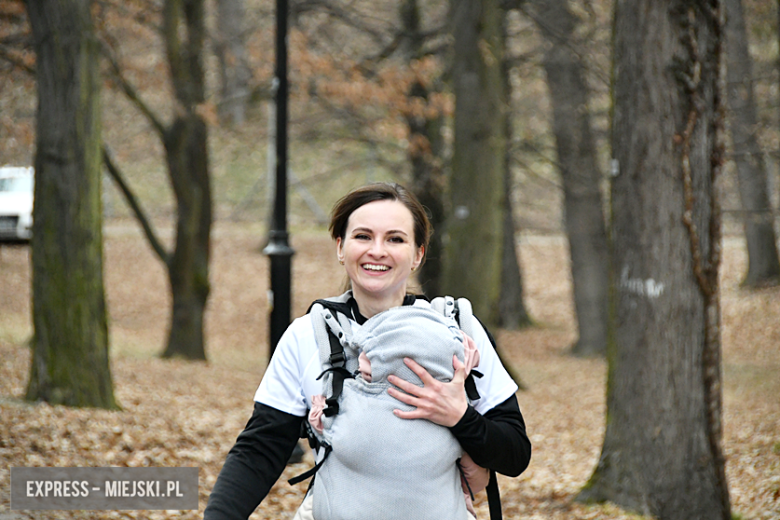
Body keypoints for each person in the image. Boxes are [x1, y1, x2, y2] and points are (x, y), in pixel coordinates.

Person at [204, 182, 532, 520]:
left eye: (395, 239)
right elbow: (261, 449)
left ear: (418, 253)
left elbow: (515, 454)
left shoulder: (459, 331)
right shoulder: (307, 337)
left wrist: (460, 418)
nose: (377, 250)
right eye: (362, 236)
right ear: (340, 248)